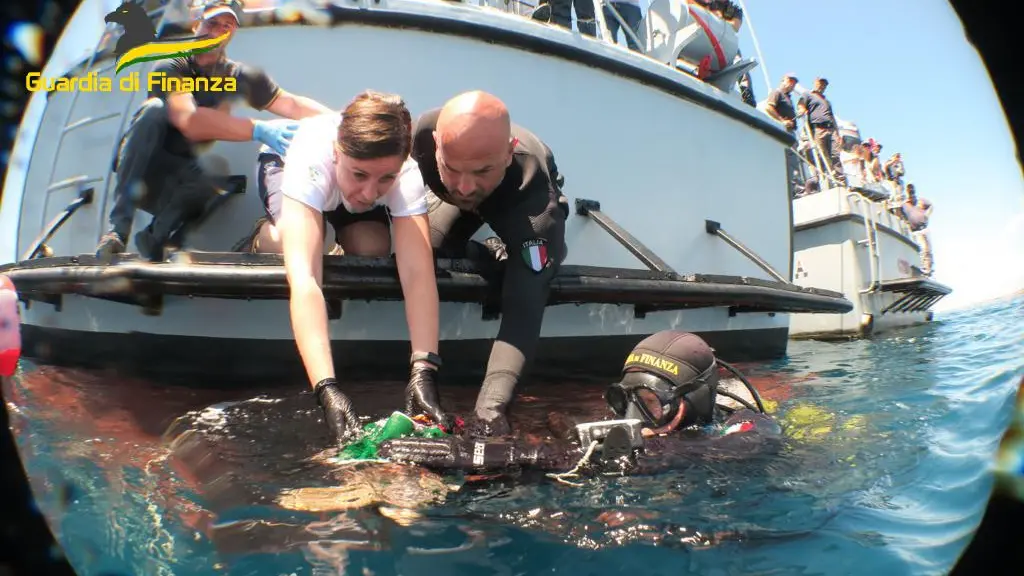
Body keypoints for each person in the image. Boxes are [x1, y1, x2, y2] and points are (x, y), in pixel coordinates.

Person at [258, 90, 450, 446]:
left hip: (340, 182)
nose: (369, 193)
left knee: (373, 248)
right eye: (360, 175)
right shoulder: (311, 154)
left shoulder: (404, 170)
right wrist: (326, 387)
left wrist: (424, 369)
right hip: (292, 168)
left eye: (385, 180)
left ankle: (331, 231)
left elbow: (417, 272)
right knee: (287, 242)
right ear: (337, 152)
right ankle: (262, 237)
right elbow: (306, 282)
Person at [95, 0, 333, 262]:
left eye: (226, 26)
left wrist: (342, 121)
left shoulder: (238, 75)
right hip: (144, 170)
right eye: (211, 23)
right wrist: (259, 129)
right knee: (152, 110)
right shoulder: (170, 67)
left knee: (214, 171)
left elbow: (290, 103)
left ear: (232, 34)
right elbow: (189, 120)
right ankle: (117, 231)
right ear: (197, 24)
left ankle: (154, 239)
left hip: (179, 178)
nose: (217, 31)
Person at [378, 331, 781, 476]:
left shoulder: (748, 434)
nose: (631, 419)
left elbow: (669, 453)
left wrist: (507, 454)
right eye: (622, 399)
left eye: (649, 404)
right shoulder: (639, 424)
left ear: (689, 403)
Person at [409, 91, 570, 438]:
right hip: (446, 199)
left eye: (482, 171)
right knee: (422, 252)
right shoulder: (422, 133)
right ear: (435, 144)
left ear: (509, 151)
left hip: (519, 201)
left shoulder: (536, 206)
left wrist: (491, 410)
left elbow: (523, 314)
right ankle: (488, 251)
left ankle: (511, 254)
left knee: (528, 278)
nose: (465, 187)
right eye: (451, 167)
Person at [797, 77, 844, 185]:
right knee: (820, 154)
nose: (822, 86)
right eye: (820, 83)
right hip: (818, 129)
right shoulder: (808, 95)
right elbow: (801, 104)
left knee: (835, 154)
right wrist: (802, 109)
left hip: (831, 129)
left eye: (824, 85)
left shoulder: (827, 101)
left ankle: (840, 178)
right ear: (815, 83)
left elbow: (832, 117)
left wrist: (838, 133)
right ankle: (821, 179)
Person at [900, 184, 934, 276]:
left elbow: (931, 205)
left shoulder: (921, 201)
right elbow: (899, 213)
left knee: (927, 250)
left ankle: (928, 270)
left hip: (924, 229)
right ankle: (921, 268)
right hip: (915, 231)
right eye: (910, 192)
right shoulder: (905, 205)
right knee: (921, 250)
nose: (912, 195)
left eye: (913, 192)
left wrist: (926, 215)